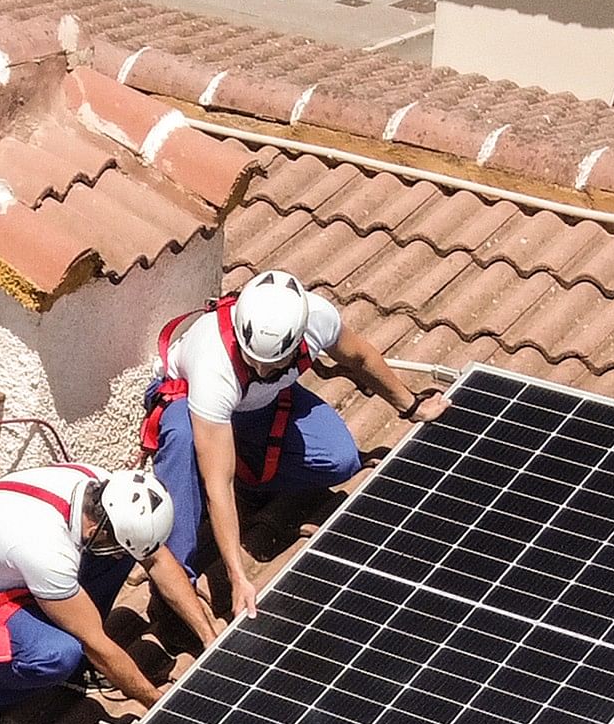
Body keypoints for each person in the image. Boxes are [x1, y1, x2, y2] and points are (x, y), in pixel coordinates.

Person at [142, 267, 444, 627]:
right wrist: (237, 575)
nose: (261, 368)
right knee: (183, 442)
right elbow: (217, 485)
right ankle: (175, 588)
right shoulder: (214, 367)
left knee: (340, 459)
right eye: (253, 361)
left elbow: (360, 358)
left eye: (273, 364)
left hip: (261, 407)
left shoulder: (318, 319)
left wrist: (410, 406)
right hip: (191, 407)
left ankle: (253, 480)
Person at [0, 463, 180, 724]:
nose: (118, 557)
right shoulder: (44, 548)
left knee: (122, 553)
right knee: (59, 655)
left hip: (11, 571)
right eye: (113, 543)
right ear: (97, 527)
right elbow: (96, 643)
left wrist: (208, 633)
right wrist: (156, 703)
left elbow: (156, 559)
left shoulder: (102, 486)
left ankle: (73, 650)